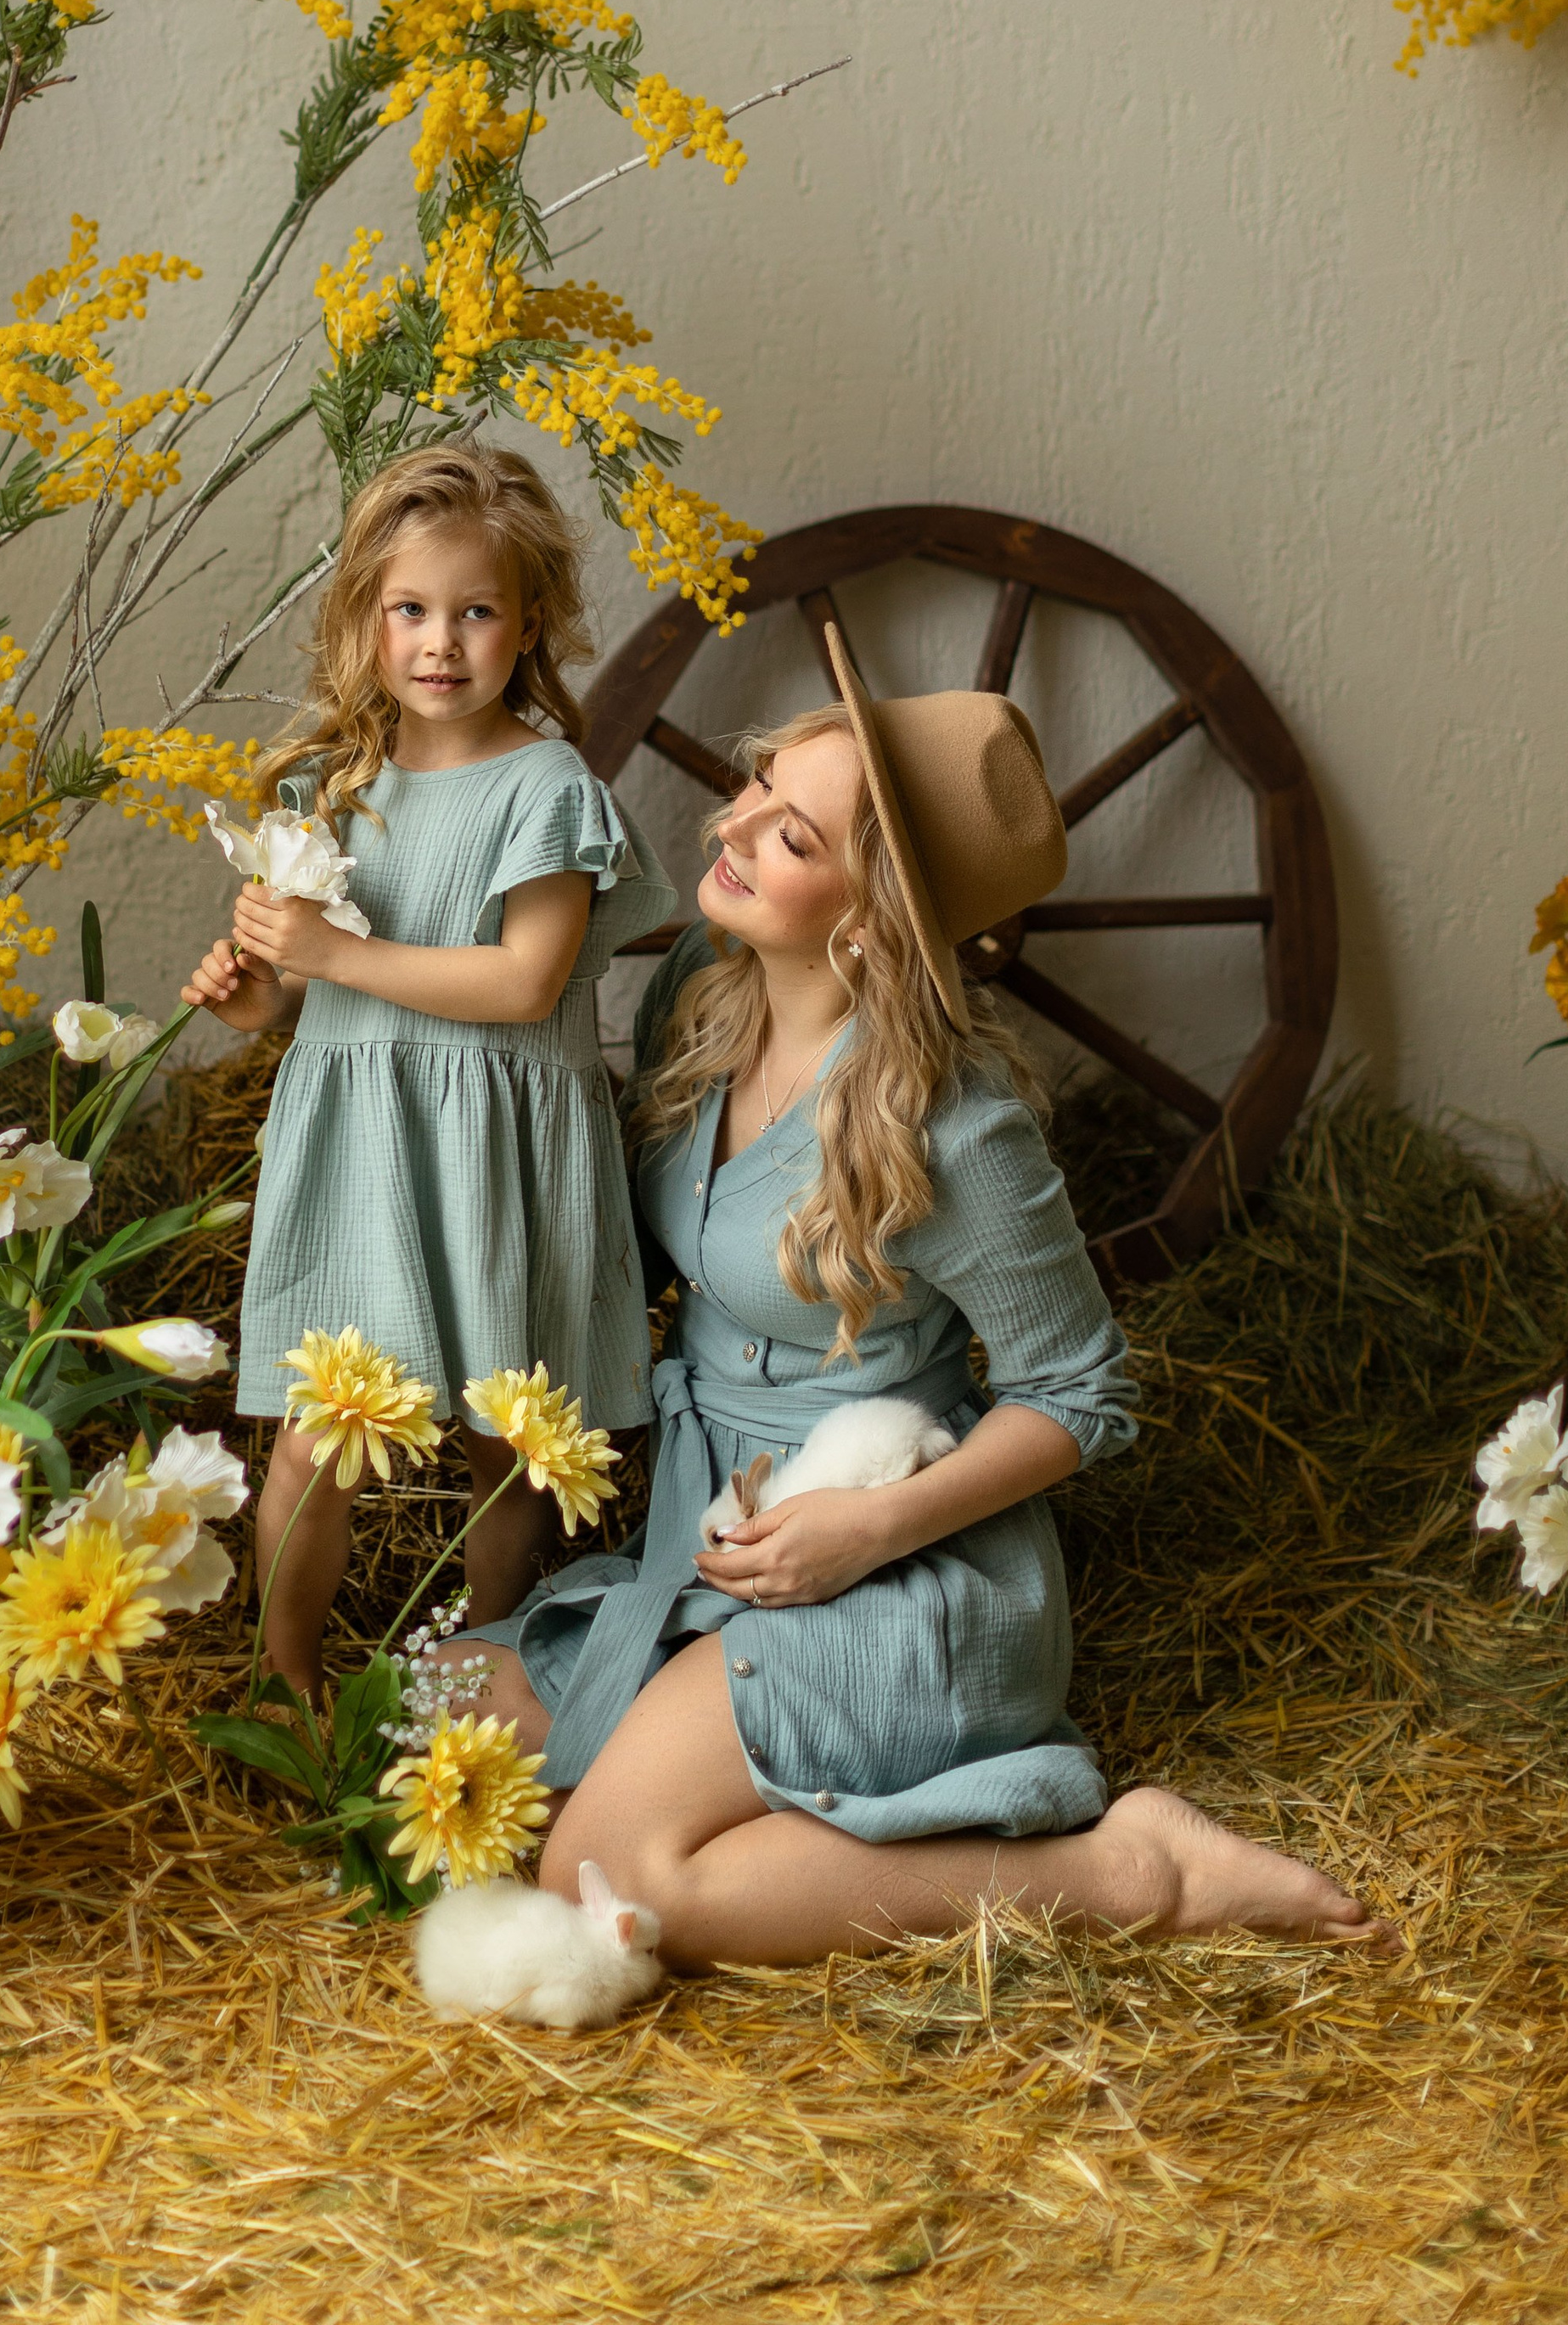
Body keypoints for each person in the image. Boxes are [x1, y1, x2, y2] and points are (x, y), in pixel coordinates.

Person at [458, 646, 1389, 1961]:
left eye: (789, 834)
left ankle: (1125, 1869)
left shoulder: (955, 1129)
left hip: (893, 1579)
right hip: (716, 1538)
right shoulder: (695, 1005)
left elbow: (1084, 1394)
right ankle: (726, 1780)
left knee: (597, 1880)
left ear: (872, 913)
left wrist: (869, 1528)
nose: (729, 829)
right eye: (759, 787)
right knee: (417, 1719)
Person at [183, 442, 675, 1701]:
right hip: (362, 1147)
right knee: (314, 1444)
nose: (440, 642)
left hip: (502, 1149)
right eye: (409, 609)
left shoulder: (548, 787)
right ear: (364, 617)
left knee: (502, 1442)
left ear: (530, 626)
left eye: (476, 611)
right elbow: (297, 999)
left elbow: (523, 983)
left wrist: (337, 952)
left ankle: (488, 1678)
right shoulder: (330, 788)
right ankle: (288, 1692)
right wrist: (255, 990)